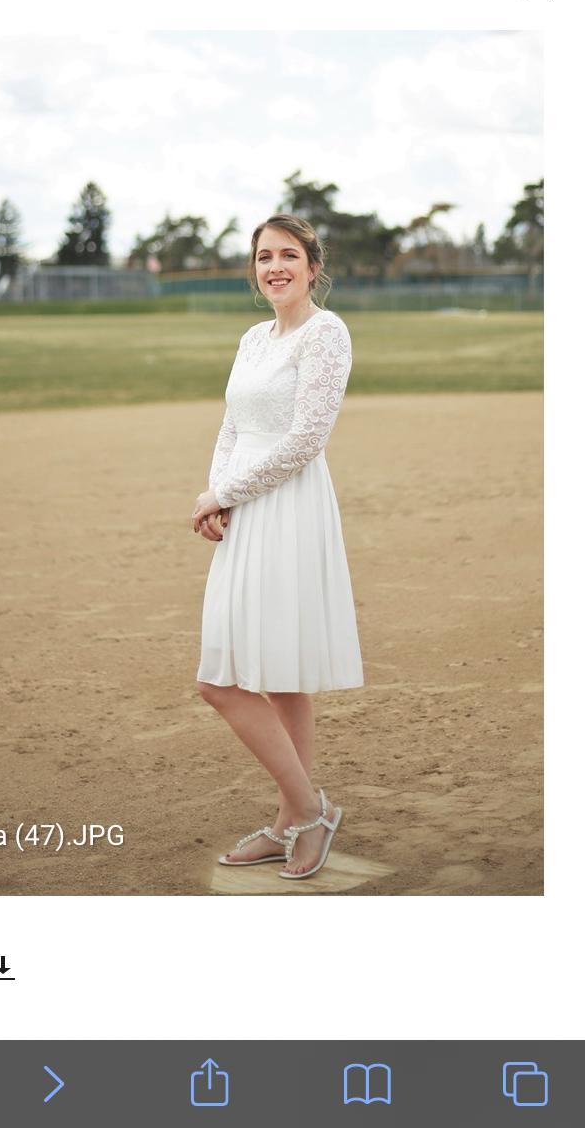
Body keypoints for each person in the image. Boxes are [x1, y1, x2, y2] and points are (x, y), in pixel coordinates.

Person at [192, 214, 363, 880]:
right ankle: (295, 818)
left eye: (289, 255)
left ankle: (309, 809)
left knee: (231, 680)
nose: (276, 267)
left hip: (289, 506)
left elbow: (305, 440)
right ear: (255, 269)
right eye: (265, 257)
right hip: (243, 503)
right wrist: (218, 494)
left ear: (313, 266)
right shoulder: (253, 337)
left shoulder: (327, 333)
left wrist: (224, 494)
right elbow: (232, 426)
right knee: (262, 673)